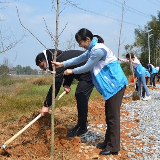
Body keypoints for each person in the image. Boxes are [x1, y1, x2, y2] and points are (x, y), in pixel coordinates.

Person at [52, 28, 128, 156]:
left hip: (116, 85)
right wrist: (62, 64)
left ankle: (113, 147)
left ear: (88, 39)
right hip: (111, 86)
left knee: (113, 117)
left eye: (80, 42)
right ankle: (108, 141)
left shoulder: (98, 50)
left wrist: (72, 71)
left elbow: (87, 66)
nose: (79, 45)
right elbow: (78, 58)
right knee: (109, 115)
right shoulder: (93, 49)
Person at [35, 49, 94, 137]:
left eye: (42, 65)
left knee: (80, 94)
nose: (44, 69)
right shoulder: (57, 56)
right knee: (80, 95)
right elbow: (68, 68)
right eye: (41, 68)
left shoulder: (56, 61)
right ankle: (82, 123)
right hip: (84, 71)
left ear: (45, 60)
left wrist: (46, 105)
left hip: (89, 71)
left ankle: (82, 126)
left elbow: (56, 84)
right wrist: (67, 84)